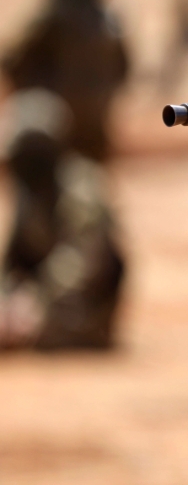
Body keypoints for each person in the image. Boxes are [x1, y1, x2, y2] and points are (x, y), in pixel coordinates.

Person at [0, 89, 125, 348]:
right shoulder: (31, 190)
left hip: (81, 305)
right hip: (37, 297)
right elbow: (16, 256)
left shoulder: (81, 188)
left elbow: (83, 263)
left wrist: (37, 300)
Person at [3, 0, 129, 162]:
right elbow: (125, 70)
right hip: (96, 128)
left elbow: (15, 62)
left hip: (54, 130)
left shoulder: (54, 14)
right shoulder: (111, 18)